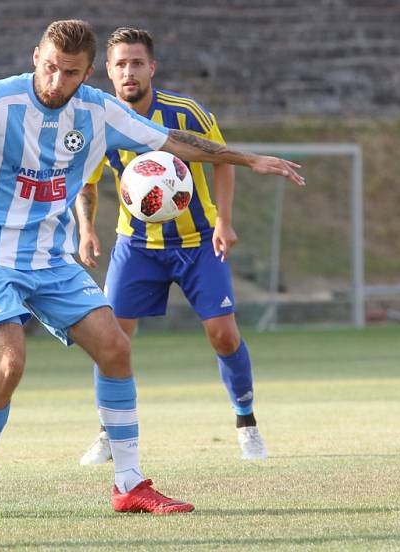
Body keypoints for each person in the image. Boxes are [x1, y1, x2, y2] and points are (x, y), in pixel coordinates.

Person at [0, 19, 303, 520]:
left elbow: (175, 142)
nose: (56, 82)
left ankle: (129, 485)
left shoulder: (96, 110)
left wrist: (247, 158)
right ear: (35, 56)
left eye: (69, 73)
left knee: (115, 346)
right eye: (49, 68)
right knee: (10, 363)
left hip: (50, 257)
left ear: (87, 74)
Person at [76, 27, 277, 466]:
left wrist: (224, 221)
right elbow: (86, 183)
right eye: (120, 64)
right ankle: (110, 432)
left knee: (223, 335)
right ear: (107, 72)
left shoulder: (185, 114)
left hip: (198, 243)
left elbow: (224, 161)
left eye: (137, 63)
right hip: (136, 247)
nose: (129, 72)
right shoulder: (100, 121)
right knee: (109, 339)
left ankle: (247, 424)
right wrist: (86, 229)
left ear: (152, 67)